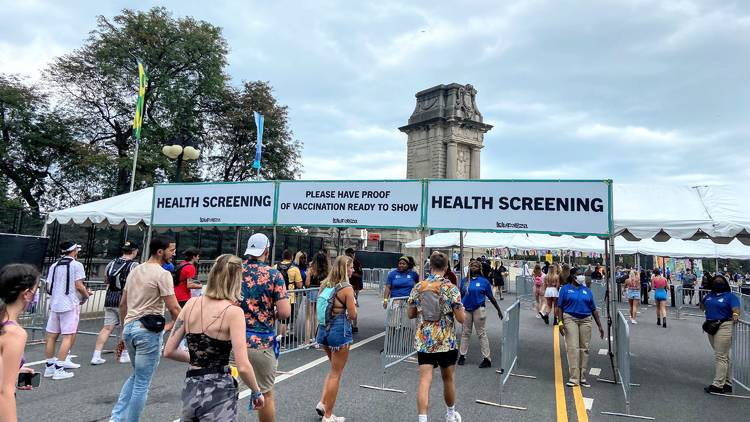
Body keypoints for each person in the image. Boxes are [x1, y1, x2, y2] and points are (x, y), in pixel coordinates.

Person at [164, 254, 265, 420]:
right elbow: (243, 366)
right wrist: (256, 391)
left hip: (192, 384)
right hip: (219, 388)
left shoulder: (191, 304)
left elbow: (168, 351)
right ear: (236, 280)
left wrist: (198, 359)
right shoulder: (234, 312)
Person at [110, 236, 182, 422]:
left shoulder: (136, 270)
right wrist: (187, 324)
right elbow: (174, 308)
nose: (174, 254)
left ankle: (116, 418)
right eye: (171, 250)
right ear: (160, 251)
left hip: (130, 328)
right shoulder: (162, 274)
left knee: (136, 376)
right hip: (147, 332)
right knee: (142, 382)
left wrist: (123, 330)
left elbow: (123, 303)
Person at [408, 252, 465, 422]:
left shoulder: (419, 287)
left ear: (430, 266)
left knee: (425, 380)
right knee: (448, 379)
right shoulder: (451, 289)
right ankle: (450, 414)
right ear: (446, 268)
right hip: (445, 340)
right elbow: (461, 319)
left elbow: (410, 314)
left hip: (425, 340)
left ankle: (423, 419)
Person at [240, 233, 291, 422]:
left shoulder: (235, 271)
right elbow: (285, 312)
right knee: (266, 393)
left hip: (234, 340)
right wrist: (270, 314)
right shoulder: (274, 274)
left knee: (227, 391)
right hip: (261, 342)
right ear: (267, 251)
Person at [314, 256, 357, 422]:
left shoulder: (325, 284)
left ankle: (323, 402)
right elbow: (352, 315)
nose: (353, 270)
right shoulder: (346, 288)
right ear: (345, 269)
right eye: (351, 267)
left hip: (324, 329)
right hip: (339, 330)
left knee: (333, 370)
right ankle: (328, 415)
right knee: (336, 374)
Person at [44, 240, 90, 380]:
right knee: (68, 336)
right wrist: (86, 295)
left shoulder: (54, 265)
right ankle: (59, 368)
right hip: (70, 304)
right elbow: (79, 285)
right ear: (74, 251)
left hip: (55, 303)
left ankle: (49, 367)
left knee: (51, 336)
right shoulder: (77, 265)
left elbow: (48, 285)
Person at [0, 264, 41, 421]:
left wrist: (13, 372)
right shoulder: (14, 333)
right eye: (36, 290)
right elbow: (4, 392)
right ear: (26, 294)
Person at [91, 241, 139, 365]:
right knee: (126, 327)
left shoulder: (112, 263)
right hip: (125, 298)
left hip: (110, 297)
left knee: (107, 327)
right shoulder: (134, 265)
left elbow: (106, 280)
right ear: (134, 251)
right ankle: (123, 354)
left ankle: (96, 355)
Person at [556, 268, 605, 388]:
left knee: (584, 348)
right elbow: (560, 307)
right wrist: (560, 322)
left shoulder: (587, 291)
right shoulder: (565, 289)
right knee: (573, 348)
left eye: (582, 274)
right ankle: (574, 378)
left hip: (586, 320)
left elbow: (593, 309)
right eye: (579, 274)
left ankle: (582, 377)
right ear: (573, 276)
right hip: (570, 318)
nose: (582, 276)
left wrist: (599, 326)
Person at [457, 260, 503, 368]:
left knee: (481, 333)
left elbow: (491, 297)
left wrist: (498, 310)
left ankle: (487, 359)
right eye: (471, 265)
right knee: (465, 333)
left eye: (476, 265)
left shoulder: (484, 282)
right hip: (466, 309)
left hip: (479, 309)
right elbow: (460, 296)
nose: (473, 267)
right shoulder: (464, 281)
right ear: (469, 268)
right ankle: (462, 356)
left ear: (479, 268)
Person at [701, 275, 741, 394]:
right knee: (723, 355)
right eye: (715, 281)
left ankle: (718, 384)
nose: (717, 283)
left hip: (724, 325)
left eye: (720, 281)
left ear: (725, 284)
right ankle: (727, 382)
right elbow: (702, 306)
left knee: (720, 356)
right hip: (711, 326)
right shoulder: (709, 295)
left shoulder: (730, 296)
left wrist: (735, 315)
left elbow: (736, 310)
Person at [276, 249, 303, 342]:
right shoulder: (294, 269)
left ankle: (278, 337)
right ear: (291, 257)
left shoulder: (275, 266)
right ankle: (282, 339)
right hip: (290, 297)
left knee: (279, 319)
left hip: (278, 295)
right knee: (286, 320)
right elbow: (299, 285)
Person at [344, 248, 363, 333]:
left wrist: (351, 272)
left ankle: (354, 325)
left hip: (354, 286)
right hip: (346, 285)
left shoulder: (357, 262)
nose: (348, 256)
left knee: (353, 305)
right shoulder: (344, 262)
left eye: (349, 255)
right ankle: (349, 324)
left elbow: (360, 275)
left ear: (353, 254)